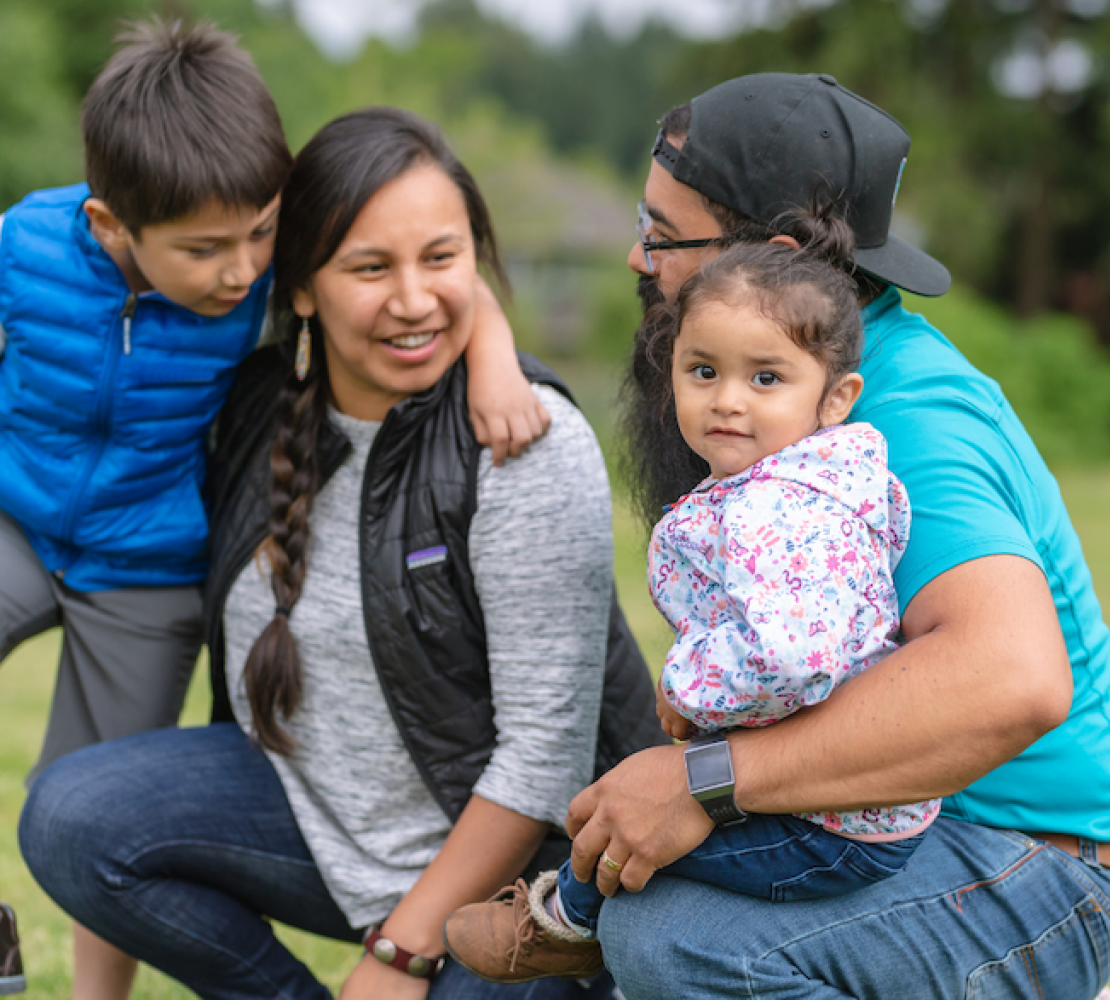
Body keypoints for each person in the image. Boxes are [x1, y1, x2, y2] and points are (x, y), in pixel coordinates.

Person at [18, 105, 663, 1000]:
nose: (411, 299)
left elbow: (543, 767)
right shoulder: (248, 406)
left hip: (525, 881)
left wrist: (401, 954)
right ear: (300, 286)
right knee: (71, 817)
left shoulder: (524, 443)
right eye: (369, 267)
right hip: (320, 827)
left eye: (440, 259)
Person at [563, 73, 1110, 999]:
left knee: (676, 940)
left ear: (776, 252)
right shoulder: (781, 389)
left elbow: (1014, 679)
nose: (640, 260)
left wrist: (708, 782)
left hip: (1034, 861)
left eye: (661, 235)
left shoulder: (907, 413)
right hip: (889, 828)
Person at [444, 239, 941, 982]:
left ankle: (565, 920)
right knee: (643, 807)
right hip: (851, 797)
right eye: (703, 372)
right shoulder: (823, 480)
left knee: (630, 835)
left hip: (827, 824)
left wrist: (688, 683)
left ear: (834, 398)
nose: (728, 399)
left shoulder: (776, 508)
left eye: (765, 378)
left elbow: (791, 659)